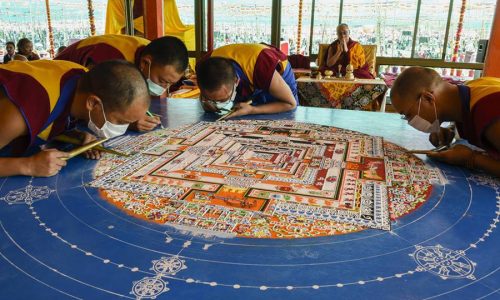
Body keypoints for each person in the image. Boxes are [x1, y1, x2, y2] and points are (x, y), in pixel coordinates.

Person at [0, 60, 150, 177]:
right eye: (121, 122)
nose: (123, 129)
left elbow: (55, 116)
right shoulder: (20, 114)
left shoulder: (85, 80)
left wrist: (74, 135)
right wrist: (28, 166)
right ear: (92, 103)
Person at [56, 34, 188, 131]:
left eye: (170, 84)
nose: (164, 87)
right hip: (58, 94)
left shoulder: (153, 53)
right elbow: (96, 106)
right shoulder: (114, 61)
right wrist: (127, 122)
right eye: (162, 81)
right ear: (145, 63)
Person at [390, 67, 500, 176]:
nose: (410, 121)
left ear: (428, 98)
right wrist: (453, 128)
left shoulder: (488, 109)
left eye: (408, 115)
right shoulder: (469, 89)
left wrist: (472, 159)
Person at [196, 43, 298, 118]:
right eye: (212, 99)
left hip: (276, 74)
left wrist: (253, 110)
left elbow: (290, 104)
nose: (218, 104)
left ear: (236, 81)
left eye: (223, 100)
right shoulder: (203, 67)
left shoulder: (261, 66)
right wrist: (207, 102)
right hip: (248, 72)